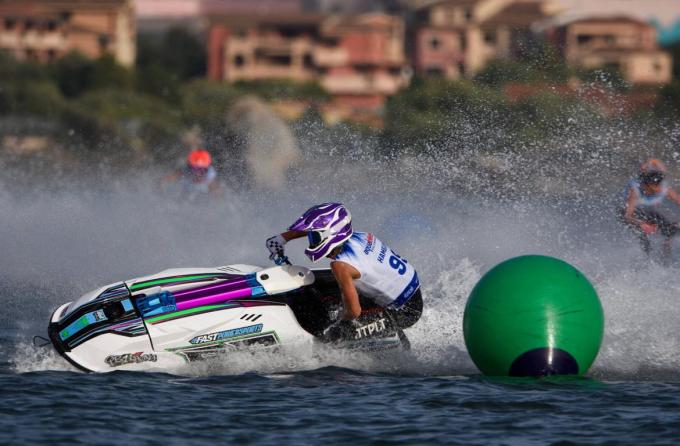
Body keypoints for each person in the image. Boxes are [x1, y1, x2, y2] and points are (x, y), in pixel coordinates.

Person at [265, 202, 423, 342]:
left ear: (331, 235)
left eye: (315, 237)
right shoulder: (361, 236)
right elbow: (318, 230)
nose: (311, 241)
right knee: (319, 285)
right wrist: (283, 238)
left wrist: (338, 324)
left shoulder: (341, 266)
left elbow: (354, 311)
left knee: (330, 338)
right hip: (410, 292)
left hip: (404, 312)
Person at [620, 158, 680, 263]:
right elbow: (627, 216)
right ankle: (645, 262)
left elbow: (654, 161)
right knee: (643, 237)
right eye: (654, 188)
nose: (658, 190)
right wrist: (642, 224)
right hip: (627, 213)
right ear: (647, 185)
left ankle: (665, 259)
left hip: (647, 212)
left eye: (659, 186)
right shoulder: (635, 191)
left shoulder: (663, 187)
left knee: (671, 230)